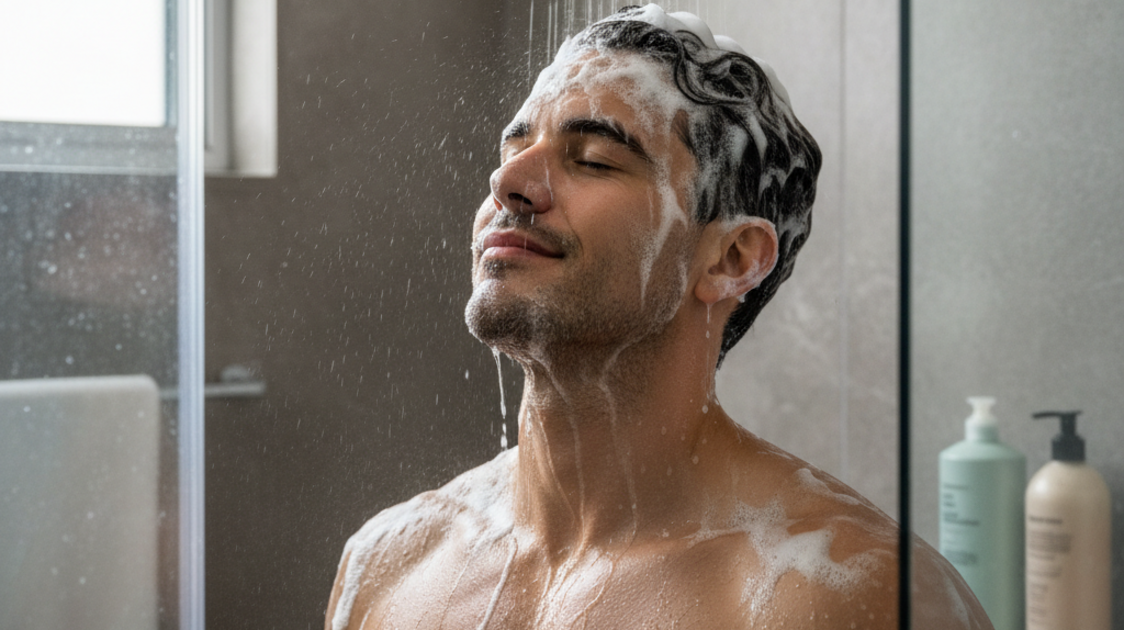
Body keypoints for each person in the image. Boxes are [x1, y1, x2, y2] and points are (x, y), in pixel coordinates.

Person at [326, 5, 991, 628]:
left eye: (592, 160)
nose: (510, 184)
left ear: (731, 258)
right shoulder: (388, 564)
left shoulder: (833, 592)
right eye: (512, 152)